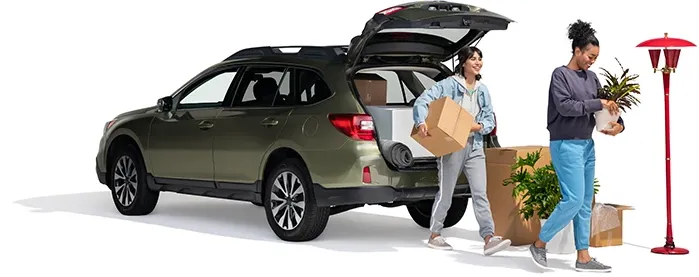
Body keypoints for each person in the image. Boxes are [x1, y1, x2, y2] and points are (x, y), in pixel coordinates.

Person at [528, 20, 625, 273]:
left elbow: (607, 104)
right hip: (565, 145)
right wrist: (597, 103)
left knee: (583, 203)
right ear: (577, 51)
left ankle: (583, 257)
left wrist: (619, 124)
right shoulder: (560, 75)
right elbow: (566, 107)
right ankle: (539, 243)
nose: (592, 61)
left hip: (587, 145)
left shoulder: (592, 78)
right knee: (572, 200)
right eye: (589, 56)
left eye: (595, 58)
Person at [412, 46, 512, 256]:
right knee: (446, 193)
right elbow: (423, 100)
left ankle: (488, 237)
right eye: (473, 59)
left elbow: (489, 119)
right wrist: (421, 121)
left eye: (480, 59)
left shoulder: (482, 89)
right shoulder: (450, 85)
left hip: (475, 146)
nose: (478, 62)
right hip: (452, 146)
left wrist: (476, 127)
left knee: (480, 193)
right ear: (463, 62)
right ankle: (434, 234)